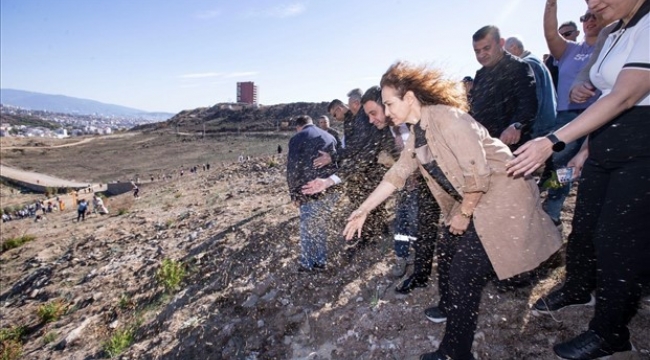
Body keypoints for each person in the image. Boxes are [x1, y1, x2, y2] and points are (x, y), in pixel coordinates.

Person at [342, 62, 561, 360]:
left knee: (465, 273)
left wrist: (465, 214)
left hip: (500, 198)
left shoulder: (450, 119)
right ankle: (450, 307)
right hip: (474, 200)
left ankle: (455, 352)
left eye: (390, 103)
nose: (387, 111)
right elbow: (398, 173)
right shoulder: (418, 131)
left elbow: (478, 175)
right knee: (447, 250)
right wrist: (363, 210)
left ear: (409, 98)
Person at [507, 0, 649, 358]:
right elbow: (604, 92)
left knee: (616, 239)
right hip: (600, 139)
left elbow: (626, 95)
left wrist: (554, 140)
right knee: (584, 226)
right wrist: (586, 148)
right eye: (587, 1)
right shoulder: (613, 32)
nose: (594, 5)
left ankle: (610, 332)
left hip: (642, 145)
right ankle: (577, 287)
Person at [361, 85, 441, 291]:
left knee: (420, 223)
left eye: (374, 112)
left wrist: (418, 174)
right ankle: (402, 257)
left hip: (426, 184)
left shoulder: (416, 121)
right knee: (402, 221)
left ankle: (420, 262)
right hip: (404, 184)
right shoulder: (383, 130)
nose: (372, 119)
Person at [542, 1, 605, 227]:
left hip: (601, 116)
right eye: (585, 17)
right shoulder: (570, 50)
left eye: (594, 16)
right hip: (567, 118)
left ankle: (591, 220)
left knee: (594, 168)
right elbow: (551, 34)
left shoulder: (610, 47)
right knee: (561, 168)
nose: (589, 21)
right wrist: (551, 4)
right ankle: (552, 211)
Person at [309, 93, 388, 248]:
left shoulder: (359, 119)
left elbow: (356, 147)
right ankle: (375, 231)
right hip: (359, 167)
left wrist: (333, 157)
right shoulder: (350, 120)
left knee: (366, 200)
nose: (335, 118)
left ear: (339, 108)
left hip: (368, 167)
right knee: (363, 199)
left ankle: (369, 236)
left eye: (334, 114)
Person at [469, 25, 538, 149]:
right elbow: (473, 108)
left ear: (501, 43)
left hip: (513, 146)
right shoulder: (480, 76)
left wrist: (517, 125)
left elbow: (528, 103)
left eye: (486, 48)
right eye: (477, 51)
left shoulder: (518, 67)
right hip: (486, 146)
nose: (481, 55)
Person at [286, 115, 340, 271]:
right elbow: (339, 160)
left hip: (310, 190)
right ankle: (320, 261)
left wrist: (294, 194)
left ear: (298, 126)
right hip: (330, 188)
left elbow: (293, 168)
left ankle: (308, 263)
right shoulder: (329, 135)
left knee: (308, 228)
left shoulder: (297, 138)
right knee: (320, 224)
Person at [505, 36, 558, 138]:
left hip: (537, 128)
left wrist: (518, 124)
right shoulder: (536, 61)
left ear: (513, 47)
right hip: (548, 123)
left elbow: (530, 99)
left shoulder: (527, 64)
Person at [545, 20, 581, 90]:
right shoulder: (551, 58)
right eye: (560, 35)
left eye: (568, 34)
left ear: (577, 33)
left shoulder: (584, 54)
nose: (564, 37)